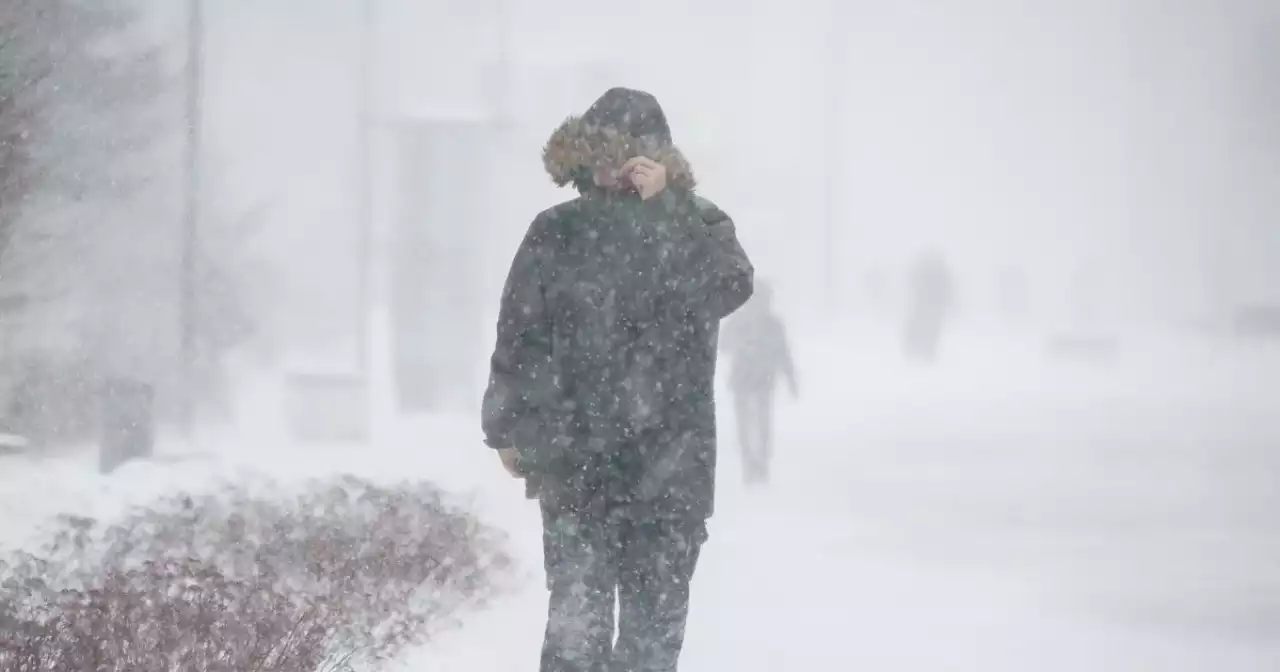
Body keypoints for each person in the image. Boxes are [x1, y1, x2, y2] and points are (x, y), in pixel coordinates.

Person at [480, 87, 754, 672]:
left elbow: (727, 287)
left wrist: (667, 213)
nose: (612, 168)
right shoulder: (557, 231)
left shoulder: (697, 223)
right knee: (576, 638)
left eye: (627, 155)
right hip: (577, 468)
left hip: (672, 471)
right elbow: (520, 333)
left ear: (657, 160)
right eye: (600, 153)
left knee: (651, 646)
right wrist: (507, 424)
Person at [720, 281, 797, 484]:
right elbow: (724, 345)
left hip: (755, 380)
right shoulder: (765, 323)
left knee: (755, 424)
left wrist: (791, 378)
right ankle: (754, 462)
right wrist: (790, 379)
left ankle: (756, 462)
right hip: (754, 380)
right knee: (753, 425)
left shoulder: (756, 323)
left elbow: (783, 352)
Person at [903, 249, 956, 362]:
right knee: (929, 328)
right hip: (930, 307)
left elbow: (914, 285)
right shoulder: (939, 273)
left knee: (928, 328)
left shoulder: (928, 273)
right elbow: (947, 290)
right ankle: (924, 351)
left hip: (928, 307)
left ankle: (922, 351)